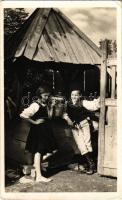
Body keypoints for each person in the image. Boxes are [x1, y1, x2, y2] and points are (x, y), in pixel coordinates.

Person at [20, 85, 56, 183]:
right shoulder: (35, 105)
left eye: (48, 95)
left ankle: (36, 166)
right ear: (40, 95)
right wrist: (34, 122)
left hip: (46, 130)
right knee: (38, 151)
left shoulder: (46, 104)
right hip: (38, 131)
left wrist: (51, 107)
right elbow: (23, 115)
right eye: (45, 95)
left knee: (52, 150)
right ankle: (39, 176)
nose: (47, 97)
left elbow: (49, 117)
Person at [63, 88, 100, 175]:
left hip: (84, 124)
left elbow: (94, 105)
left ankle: (91, 165)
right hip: (75, 127)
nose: (74, 97)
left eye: (76, 95)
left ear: (80, 96)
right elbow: (64, 114)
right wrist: (69, 120)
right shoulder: (67, 104)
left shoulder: (83, 102)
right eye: (72, 95)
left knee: (87, 142)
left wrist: (100, 98)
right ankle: (90, 164)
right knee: (81, 144)